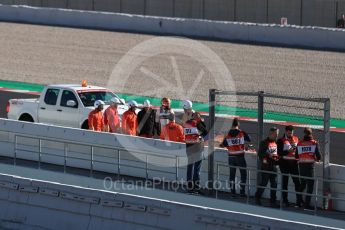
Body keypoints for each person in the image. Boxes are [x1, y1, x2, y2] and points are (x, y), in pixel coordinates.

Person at [220, 118, 251, 197]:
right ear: (238, 124)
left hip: (231, 156)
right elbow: (249, 139)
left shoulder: (227, 134)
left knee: (232, 175)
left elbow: (223, 144)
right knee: (243, 175)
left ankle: (233, 192)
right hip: (240, 156)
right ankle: (242, 192)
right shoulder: (242, 132)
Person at [182, 100, 208, 194]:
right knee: (197, 169)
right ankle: (196, 188)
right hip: (197, 148)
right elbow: (206, 133)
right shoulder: (197, 123)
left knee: (190, 168)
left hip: (188, 148)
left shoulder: (185, 123)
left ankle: (189, 188)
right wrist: (200, 121)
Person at [295, 127, 321, 210]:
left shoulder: (299, 143)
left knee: (302, 185)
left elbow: (296, 156)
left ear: (304, 133)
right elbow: (319, 156)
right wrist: (316, 159)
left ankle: (298, 203)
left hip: (301, 166)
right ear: (311, 134)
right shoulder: (314, 143)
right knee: (310, 186)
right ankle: (307, 204)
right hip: (310, 167)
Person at [277, 125, 302, 207]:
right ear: (285, 131)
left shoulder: (296, 138)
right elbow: (279, 153)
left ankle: (299, 201)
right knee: (285, 183)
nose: (290, 134)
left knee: (297, 183)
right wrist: (288, 151)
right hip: (284, 164)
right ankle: (285, 200)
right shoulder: (281, 140)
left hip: (294, 163)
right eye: (289, 132)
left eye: (291, 132)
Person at [255, 127, 280, 207]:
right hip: (266, 167)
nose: (276, 136)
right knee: (264, 183)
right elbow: (260, 154)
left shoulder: (276, 142)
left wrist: (277, 160)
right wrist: (268, 155)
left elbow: (277, 154)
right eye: (275, 134)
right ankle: (257, 198)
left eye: (277, 134)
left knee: (274, 184)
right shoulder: (264, 142)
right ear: (271, 134)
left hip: (274, 167)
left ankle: (273, 201)